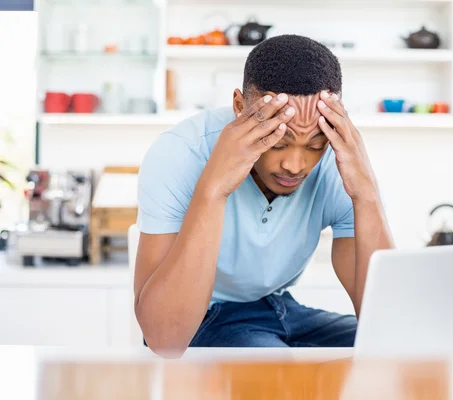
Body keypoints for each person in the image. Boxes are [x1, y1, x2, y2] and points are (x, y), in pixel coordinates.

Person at [134, 34, 394, 358]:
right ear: (240, 108)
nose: (294, 164)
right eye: (278, 140)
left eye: (314, 145)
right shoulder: (181, 152)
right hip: (203, 319)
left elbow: (386, 324)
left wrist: (366, 195)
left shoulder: (338, 162)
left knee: (403, 353)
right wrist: (214, 188)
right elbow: (163, 338)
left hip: (279, 309)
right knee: (276, 379)